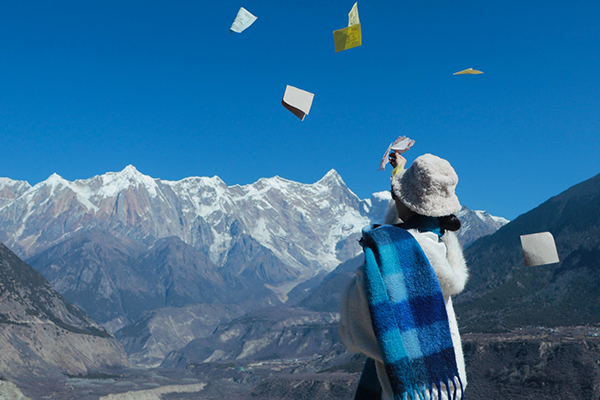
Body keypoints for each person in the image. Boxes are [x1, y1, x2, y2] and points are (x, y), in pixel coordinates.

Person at [339, 153, 468, 400]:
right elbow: (408, 227)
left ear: (405, 202)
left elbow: (354, 330)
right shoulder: (440, 246)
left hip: (407, 389)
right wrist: (399, 175)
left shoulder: (392, 256)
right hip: (445, 380)